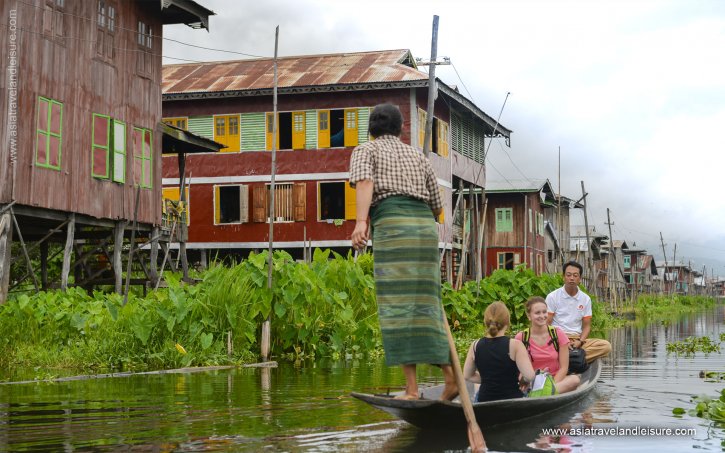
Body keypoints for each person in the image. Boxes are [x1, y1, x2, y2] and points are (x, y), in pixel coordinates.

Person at [349, 103, 456, 401]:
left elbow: (365, 182)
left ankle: (411, 389)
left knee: (397, 305)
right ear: (401, 129)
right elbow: (437, 205)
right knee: (427, 305)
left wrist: (361, 222)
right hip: (423, 228)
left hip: (393, 226)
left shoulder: (365, 150)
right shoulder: (417, 155)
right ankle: (449, 377)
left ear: (371, 129)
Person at [463, 301, 536, 402]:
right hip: (512, 401)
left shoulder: (475, 345)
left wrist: (489, 379)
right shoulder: (515, 345)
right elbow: (529, 376)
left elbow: (467, 376)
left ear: (486, 321)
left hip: (484, 401)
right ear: (507, 322)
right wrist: (523, 380)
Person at [546, 260, 612, 363]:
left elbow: (586, 326)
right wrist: (560, 341)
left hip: (577, 340)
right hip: (557, 339)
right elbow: (547, 324)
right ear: (563, 277)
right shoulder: (553, 297)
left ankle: (566, 357)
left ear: (580, 278)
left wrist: (580, 341)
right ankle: (575, 358)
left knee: (606, 346)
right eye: (568, 275)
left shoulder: (585, 299)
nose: (572, 278)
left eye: (575, 275)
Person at [515, 296, 581, 394]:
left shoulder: (558, 333)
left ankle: (542, 394)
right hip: (532, 383)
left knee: (575, 380)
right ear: (529, 316)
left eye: (544, 312)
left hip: (555, 381)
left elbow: (564, 368)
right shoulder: (521, 338)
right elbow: (521, 370)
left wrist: (549, 386)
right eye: (537, 313)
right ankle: (539, 393)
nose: (542, 316)